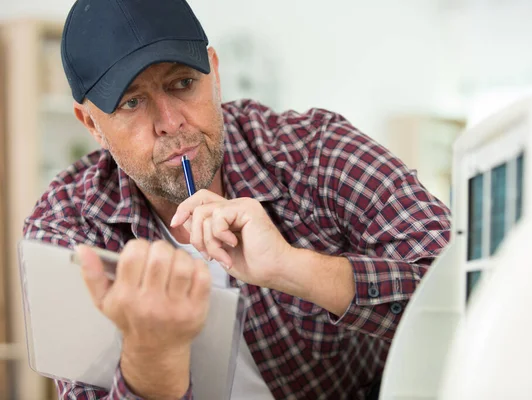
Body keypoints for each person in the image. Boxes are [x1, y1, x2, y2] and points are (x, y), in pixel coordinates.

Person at [23, 0, 452, 398]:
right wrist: (153, 356)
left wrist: (293, 268)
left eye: (184, 83)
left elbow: (463, 287)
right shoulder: (69, 229)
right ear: (92, 124)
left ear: (214, 72)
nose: (170, 123)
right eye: (132, 102)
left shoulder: (313, 153)